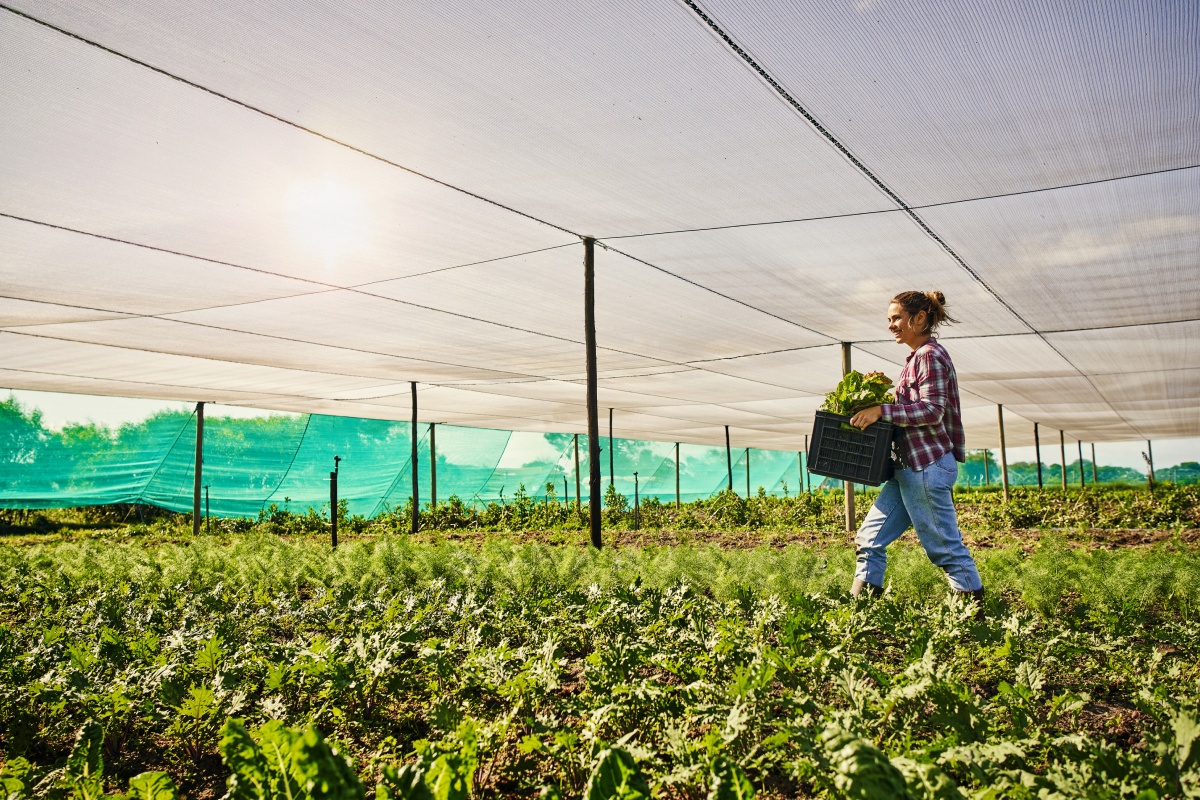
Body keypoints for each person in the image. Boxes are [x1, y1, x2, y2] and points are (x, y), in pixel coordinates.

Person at [847, 290, 985, 617]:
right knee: (869, 539)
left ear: (919, 318)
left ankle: (974, 624)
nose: (891, 325)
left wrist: (883, 410)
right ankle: (858, 618)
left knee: (945, 549)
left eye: (896, 318)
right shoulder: (915, 358)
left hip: (926, 465)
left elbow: (932, 410)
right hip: (908, 468)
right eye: (889, 319)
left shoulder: (929, 356)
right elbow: (912, 404)